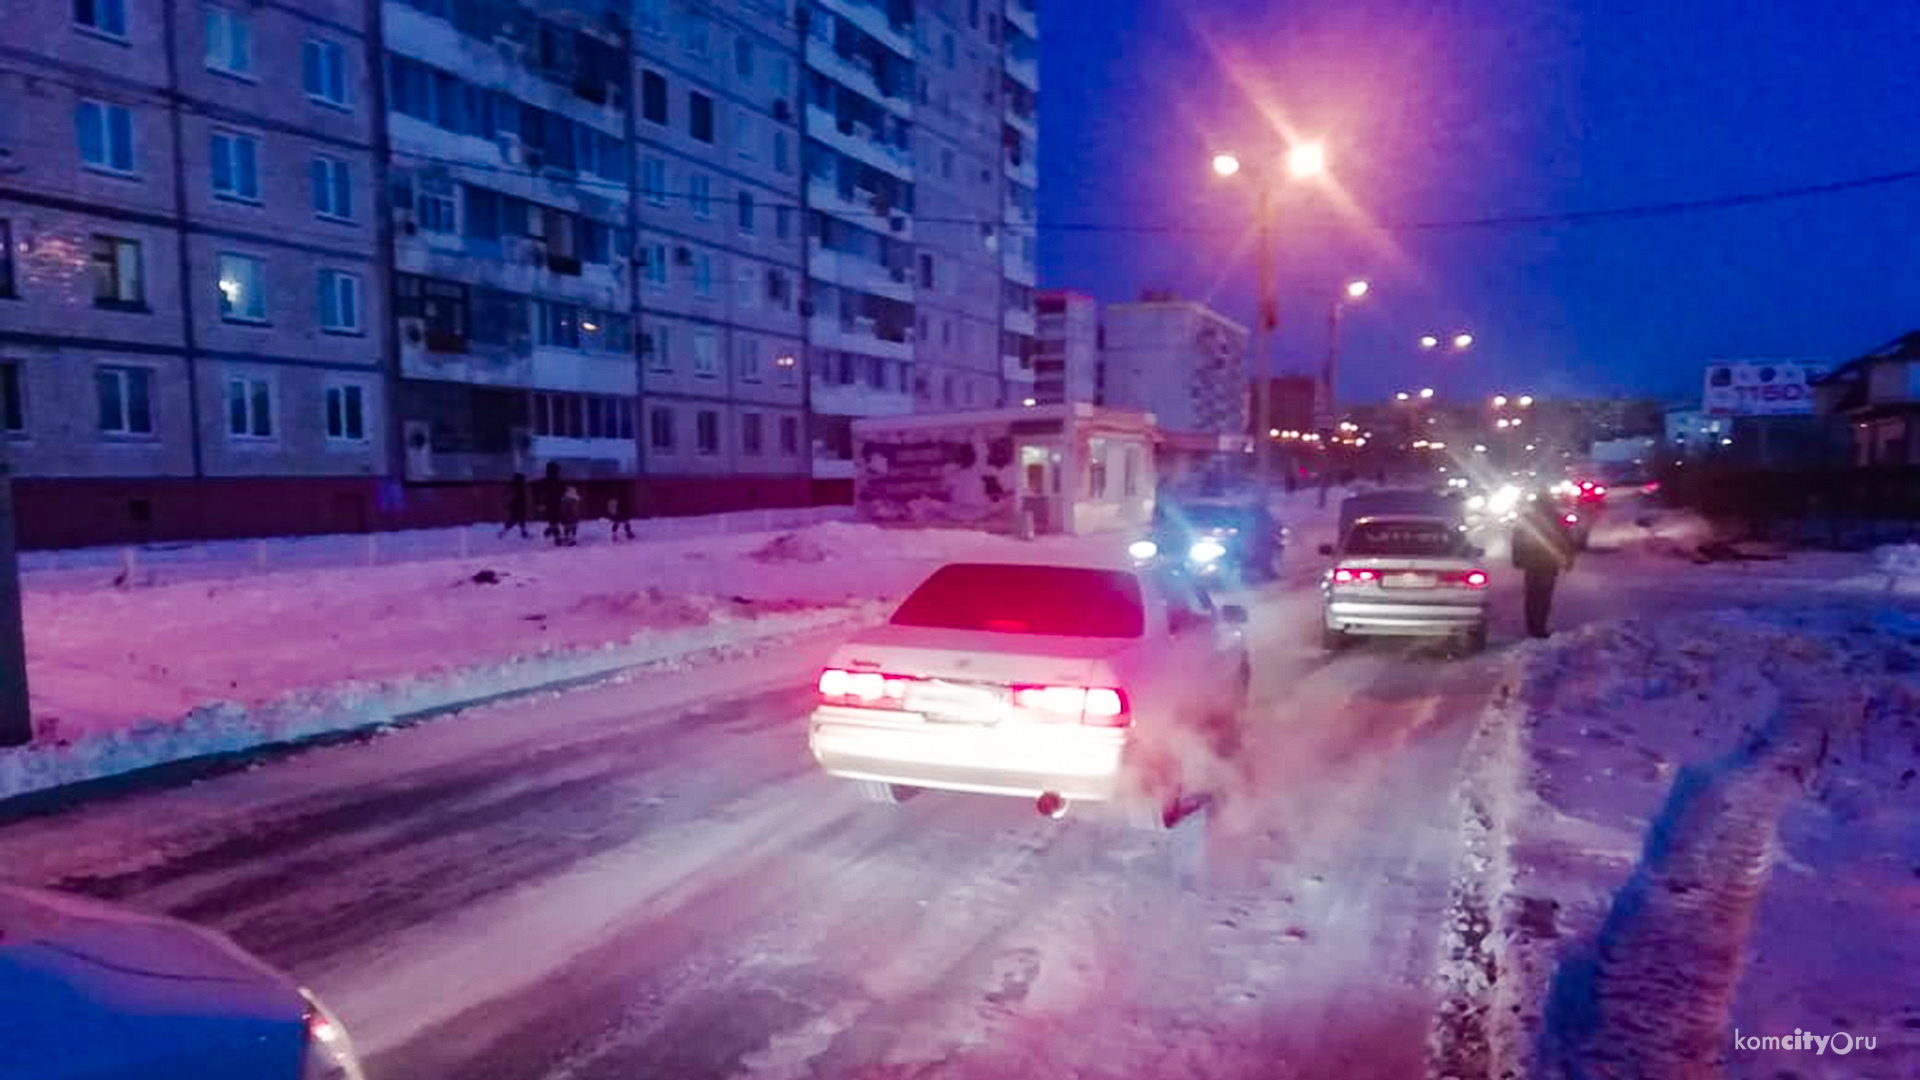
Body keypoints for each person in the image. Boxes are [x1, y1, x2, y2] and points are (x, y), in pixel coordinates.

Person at [1511, 492, 1576, 638]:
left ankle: (1532, 626)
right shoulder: (1556, 518)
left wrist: (1517, 559)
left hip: (1532, 563)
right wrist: (1568, 559)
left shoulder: (1528, 518)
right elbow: (1565, 539)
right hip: (1548, 563)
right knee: (1544, 596)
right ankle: (1539, 627)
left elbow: (1517, 540)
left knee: (1532, 596)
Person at [537, 462, 564, 543]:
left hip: (551, 503)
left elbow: (540, 493)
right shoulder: (556, 480)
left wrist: (541, 503)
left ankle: (551, 531)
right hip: (553, 503)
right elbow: (561, 491)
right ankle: (556, 537)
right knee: (554, 520)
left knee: (554, 520)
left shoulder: (545, 481)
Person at [500, 473, 530, 538]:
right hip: (516, 506)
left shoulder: (515, 486)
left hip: (517, 506)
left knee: (520, 519)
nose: (524, 481)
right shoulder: (516, 486)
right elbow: (512, 497)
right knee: (514, 520)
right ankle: (503, 532)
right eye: (522, 480)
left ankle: (523, 532)